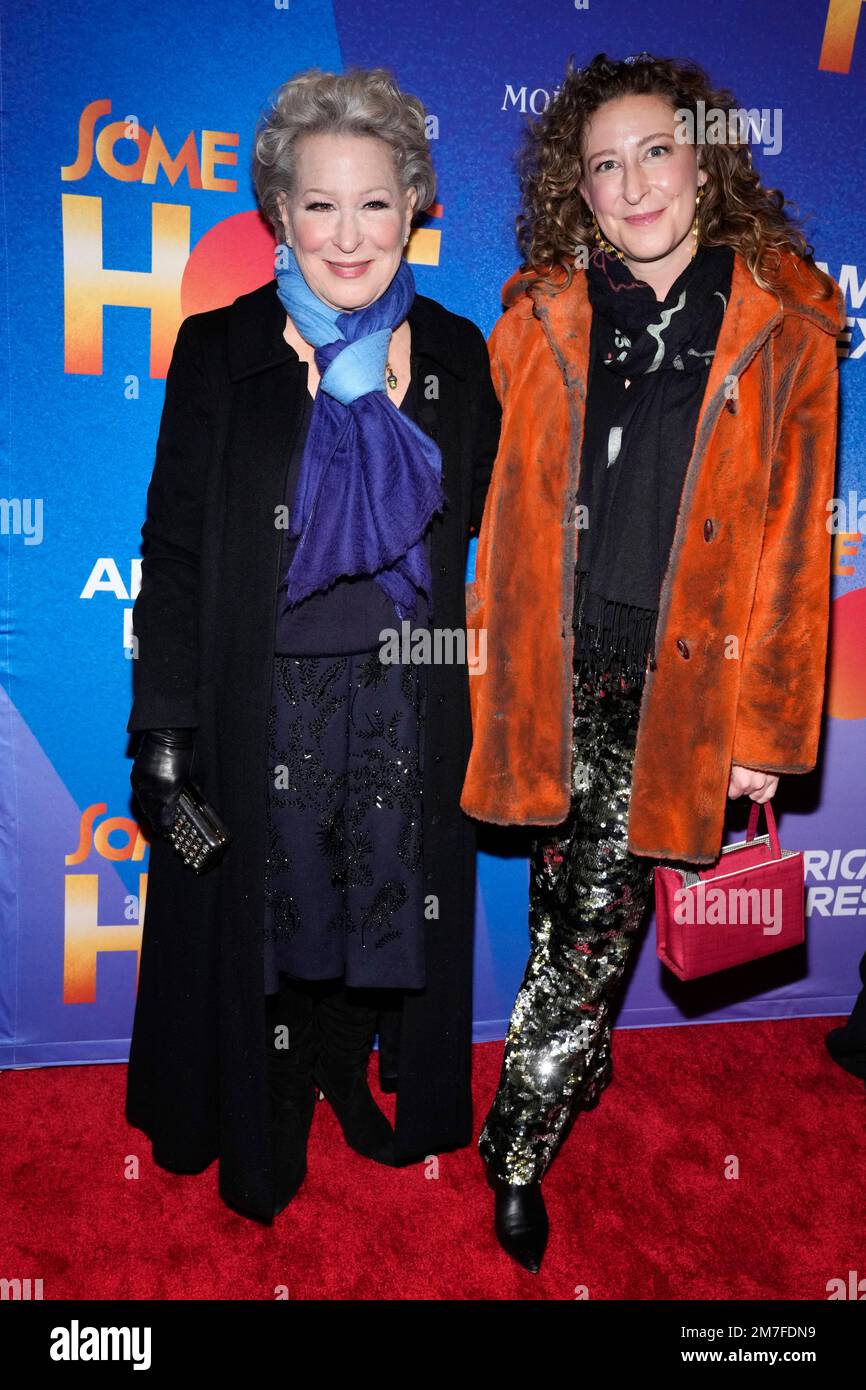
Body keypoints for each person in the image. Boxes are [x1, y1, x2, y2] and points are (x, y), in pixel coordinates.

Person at [460, 52, 845, 1272]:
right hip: (552, 670)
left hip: (682, 685)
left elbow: (790, 547)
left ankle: (513, 1146)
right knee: (564, 908)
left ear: (704, 159)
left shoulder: (783, 327)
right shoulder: (541, 318)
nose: (632, 186)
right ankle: (577, 1047)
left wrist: (763, 735)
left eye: (654, 154)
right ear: (577, 190)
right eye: (602, 165)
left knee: (581, 930)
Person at [126, 66, 501, 1221]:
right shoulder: (220, 348)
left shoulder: (451, 351)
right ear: (278, 214)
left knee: (378, 894)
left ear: (413, 209)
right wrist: (166, 724)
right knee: (271, 905)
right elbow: (176, 550)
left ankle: (345, 1054)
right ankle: (274, 1078)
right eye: (321, 203)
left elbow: (486, 528)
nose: (349, 233)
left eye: (375, 202)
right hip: (263, 697)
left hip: (402, 695)